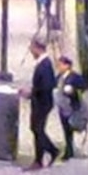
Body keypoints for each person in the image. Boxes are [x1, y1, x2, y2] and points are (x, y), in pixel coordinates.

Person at [26, 37, 60, 168]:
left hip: (42, 103)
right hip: (40, 102)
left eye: (31, 48)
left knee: (37, 129)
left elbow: (46, 85)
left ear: (37, 48)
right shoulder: (43, 63)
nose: (30, 50)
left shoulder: (44, 65)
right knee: (36, 128)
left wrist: (32, 93)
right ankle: (46, 154)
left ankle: (44, 156)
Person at [58, 61, 88, 159]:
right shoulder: (60, 76)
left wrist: (73, 91)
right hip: (62, 105)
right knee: (66, 129)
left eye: (61, 64)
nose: (59, 67)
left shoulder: (75, 77)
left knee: (70, 126)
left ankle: (70, 150)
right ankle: (69, 149)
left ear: (67, 65)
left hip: (72, 105)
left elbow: (83, 86)